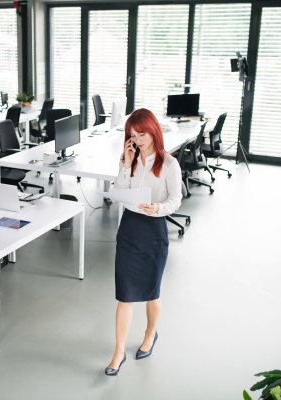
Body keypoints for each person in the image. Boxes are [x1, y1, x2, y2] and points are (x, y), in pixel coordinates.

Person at [105, 108, 182, 376]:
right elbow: (119, 193)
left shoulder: (169, 164)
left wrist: (159, 208)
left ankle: (150, 334)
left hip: (154, 230)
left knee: (152, 291)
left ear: (154, 131)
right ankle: (118, 353)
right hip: (129, 229)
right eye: (133, 135)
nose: (138, 140)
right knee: (125, 295)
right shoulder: (130, 159)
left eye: (143, 134)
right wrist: (126, 165)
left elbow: (176, 199)